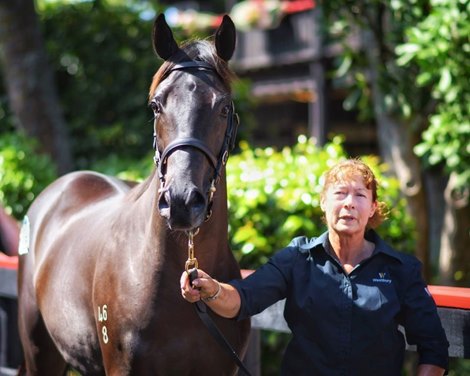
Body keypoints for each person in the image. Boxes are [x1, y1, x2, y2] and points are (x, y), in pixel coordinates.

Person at [181, 159, 448, 376]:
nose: (349, 203)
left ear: (372, 208)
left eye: (360, 195)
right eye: (340, 193)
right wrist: (211, 289)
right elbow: (242, 299)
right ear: (323, 202)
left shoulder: (401, 269)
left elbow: (434, 348)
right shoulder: (297, 258)